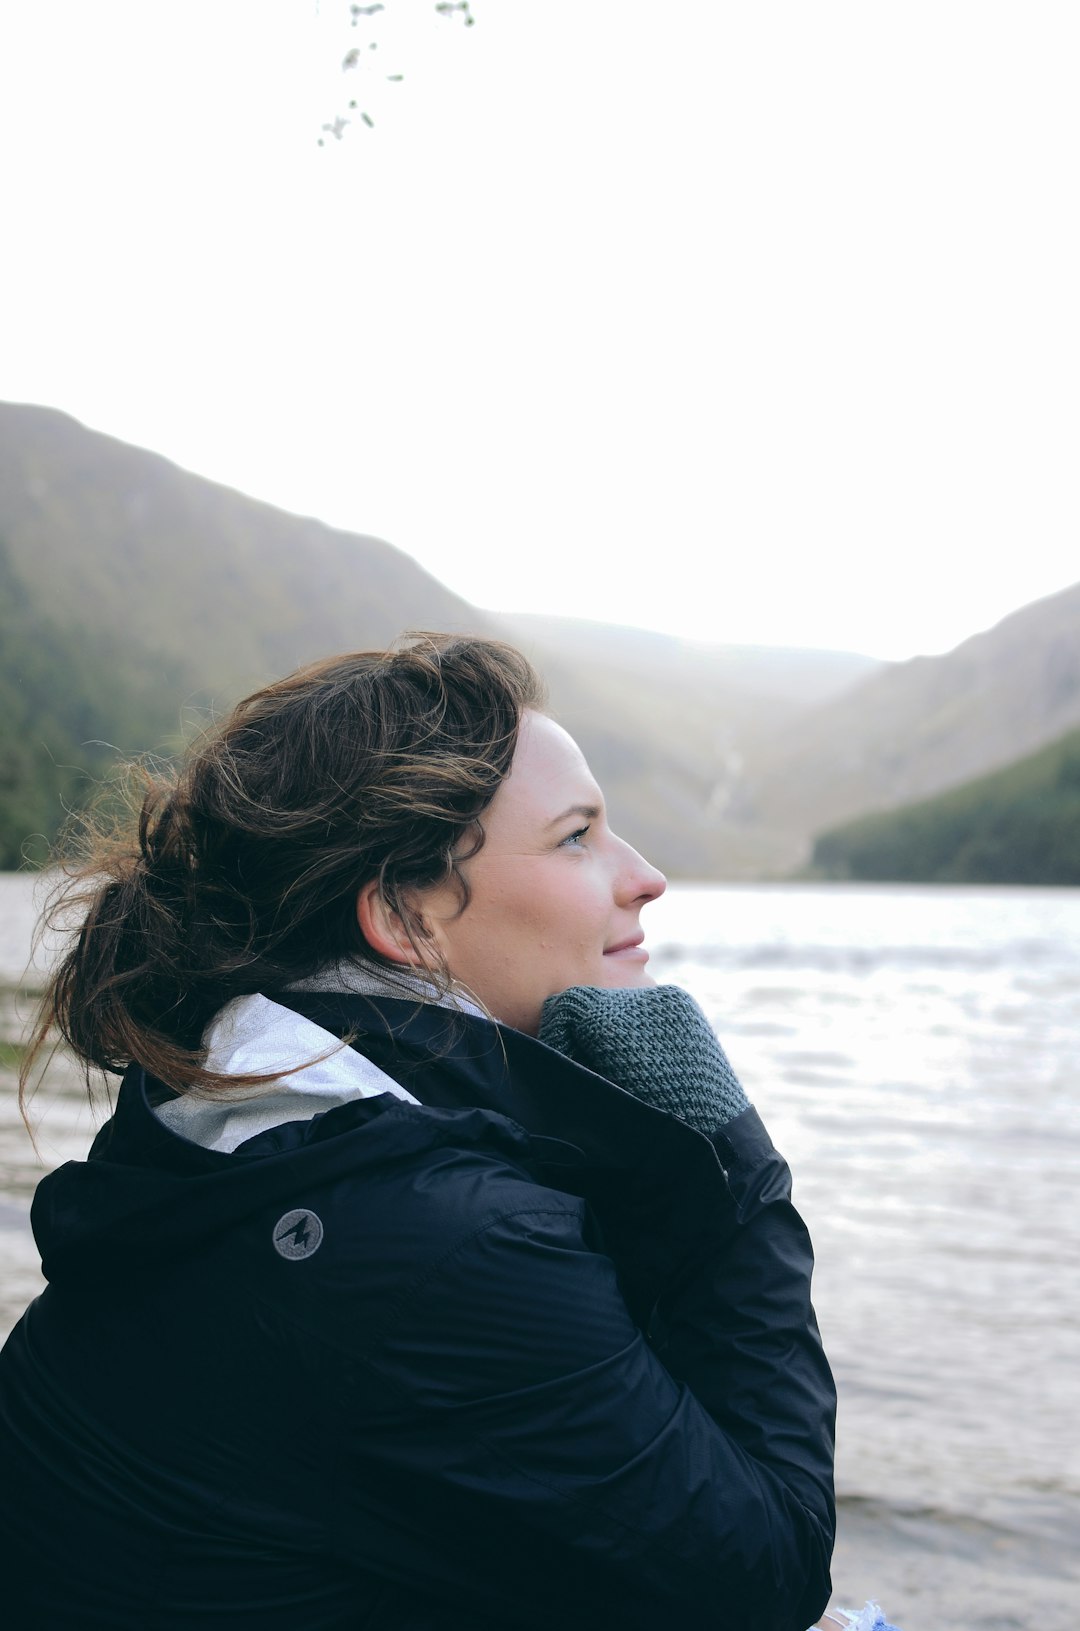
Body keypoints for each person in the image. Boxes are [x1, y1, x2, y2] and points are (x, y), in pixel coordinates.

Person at [1, 632, 859, 1630]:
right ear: (406, 919)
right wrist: (724, 1156)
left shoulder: (235, 1111)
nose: (646, 875)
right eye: (577, 835)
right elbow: (769, 1579)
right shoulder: (438, 1237)